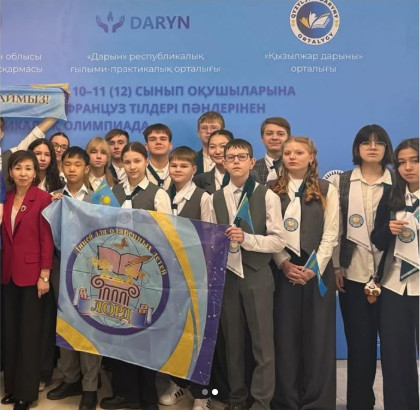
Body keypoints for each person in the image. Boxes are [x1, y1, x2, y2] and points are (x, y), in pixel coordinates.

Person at [205, 139, 285, 410]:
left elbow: (278, 241)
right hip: (227, 276)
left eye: (242, 157)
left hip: (257, 273)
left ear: (252, 162)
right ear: (223, 162)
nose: (236, 161)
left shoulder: (267, 196)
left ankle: (262, 402)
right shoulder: (214, 198)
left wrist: (247, 239)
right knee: (233, 344)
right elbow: (209, 240)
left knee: (262, 344)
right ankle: (237, 399)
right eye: (231, 157)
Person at [100, 141, 171, 410]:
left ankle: (147, 396)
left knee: (144, 333)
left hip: (146, 273)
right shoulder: (112, 192)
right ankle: (124, 392)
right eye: (127, 162)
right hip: (116, 273)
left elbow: (167, 234)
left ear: (146, 162)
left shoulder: (158, 194)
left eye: (137, 161)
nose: (132, 167)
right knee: (119, 332)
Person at [270, 137, 339, 410]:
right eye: (287, 152)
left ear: (311, 157)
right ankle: (285, 400)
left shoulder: (326, 189)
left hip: (316, 270)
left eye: (299, 152)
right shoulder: (271, 189)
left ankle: (317, 402)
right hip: (283, 270)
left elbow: (331, 234)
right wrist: (283, 263)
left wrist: (314, 268)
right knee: (284, 338)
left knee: (318, 338)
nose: (292, 157)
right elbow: (268, 231)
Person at [333, 125, 393, 410]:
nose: (372, 147)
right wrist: (336, 267)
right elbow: (334, 228)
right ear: (357, 148)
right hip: (353, 274)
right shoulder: (342, 182)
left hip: (393, 276)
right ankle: (359, 404)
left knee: (394, 347)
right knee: (359, 346)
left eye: (379, 142)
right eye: (366, 142)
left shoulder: (398, 181)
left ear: (386, 148)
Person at [46, 147, 100, 410]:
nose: (72, 169)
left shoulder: (99, 198)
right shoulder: (54, 197)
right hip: (60, 266)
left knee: (89, 325)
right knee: (64, 322)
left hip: (91, 270)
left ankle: (90, 386)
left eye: (78, 164)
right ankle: (70, 378)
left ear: (86, 168)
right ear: (62, 167)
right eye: (67, 164)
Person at [158, 146, 212, 410]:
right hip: (169, 275)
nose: (177, 169)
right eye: (174, 165)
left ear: (194, 169)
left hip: (195, 275)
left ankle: (203, 393)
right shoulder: (163, 196)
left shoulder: (203, 197)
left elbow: (210, 237)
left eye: (183, 166)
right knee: (174, 333)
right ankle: (177, 383)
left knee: (197, 335)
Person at [1, 150, 54, 410]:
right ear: (10, 172)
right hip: (8, 274)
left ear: (35, 173)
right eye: (18, 168)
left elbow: (47, 239)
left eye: (28, 168)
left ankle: (26, 393)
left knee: (29, 336)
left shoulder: (43, 199)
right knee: (10, 333)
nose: (23, 173)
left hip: (33, 276)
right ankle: (12, 387)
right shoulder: (7, 197)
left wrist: (44, 275)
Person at [371, 138, 419, 410]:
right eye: (401, 162)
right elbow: (376, 240)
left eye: (415, 161)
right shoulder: (392, 197)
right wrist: (387, 231)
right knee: (395, 358)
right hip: (394, 287)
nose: (407, 167)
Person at [27, 138, 63, 391]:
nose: (41, 158)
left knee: (47, 317)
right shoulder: (19, 184)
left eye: (46, 154)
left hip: (51, 257)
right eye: (36, 153)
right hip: (25, 256)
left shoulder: (59, 185)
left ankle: (44, 371)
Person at [1, 117, 57, 189]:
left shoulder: (9, 156)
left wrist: (57, 112)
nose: (42, 158)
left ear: (2, 133)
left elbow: (37, 133)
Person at [193, 129, 234, 194]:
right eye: (212, 147)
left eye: (223, 146)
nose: (217, 152)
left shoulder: (246, 176)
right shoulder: (199, 180)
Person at [254, 117, 291, 184]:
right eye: (269, 133)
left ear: (288, 138)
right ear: (262, 138)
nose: (274, 138)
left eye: (280, 134)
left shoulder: (297, 167)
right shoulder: (252, 168)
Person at [144, 123, 173, 190]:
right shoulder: (139, 170)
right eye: (153, 139)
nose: (158, 142)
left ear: (170, 145)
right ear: (146, 146)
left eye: (163, 139)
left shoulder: (180, 170)